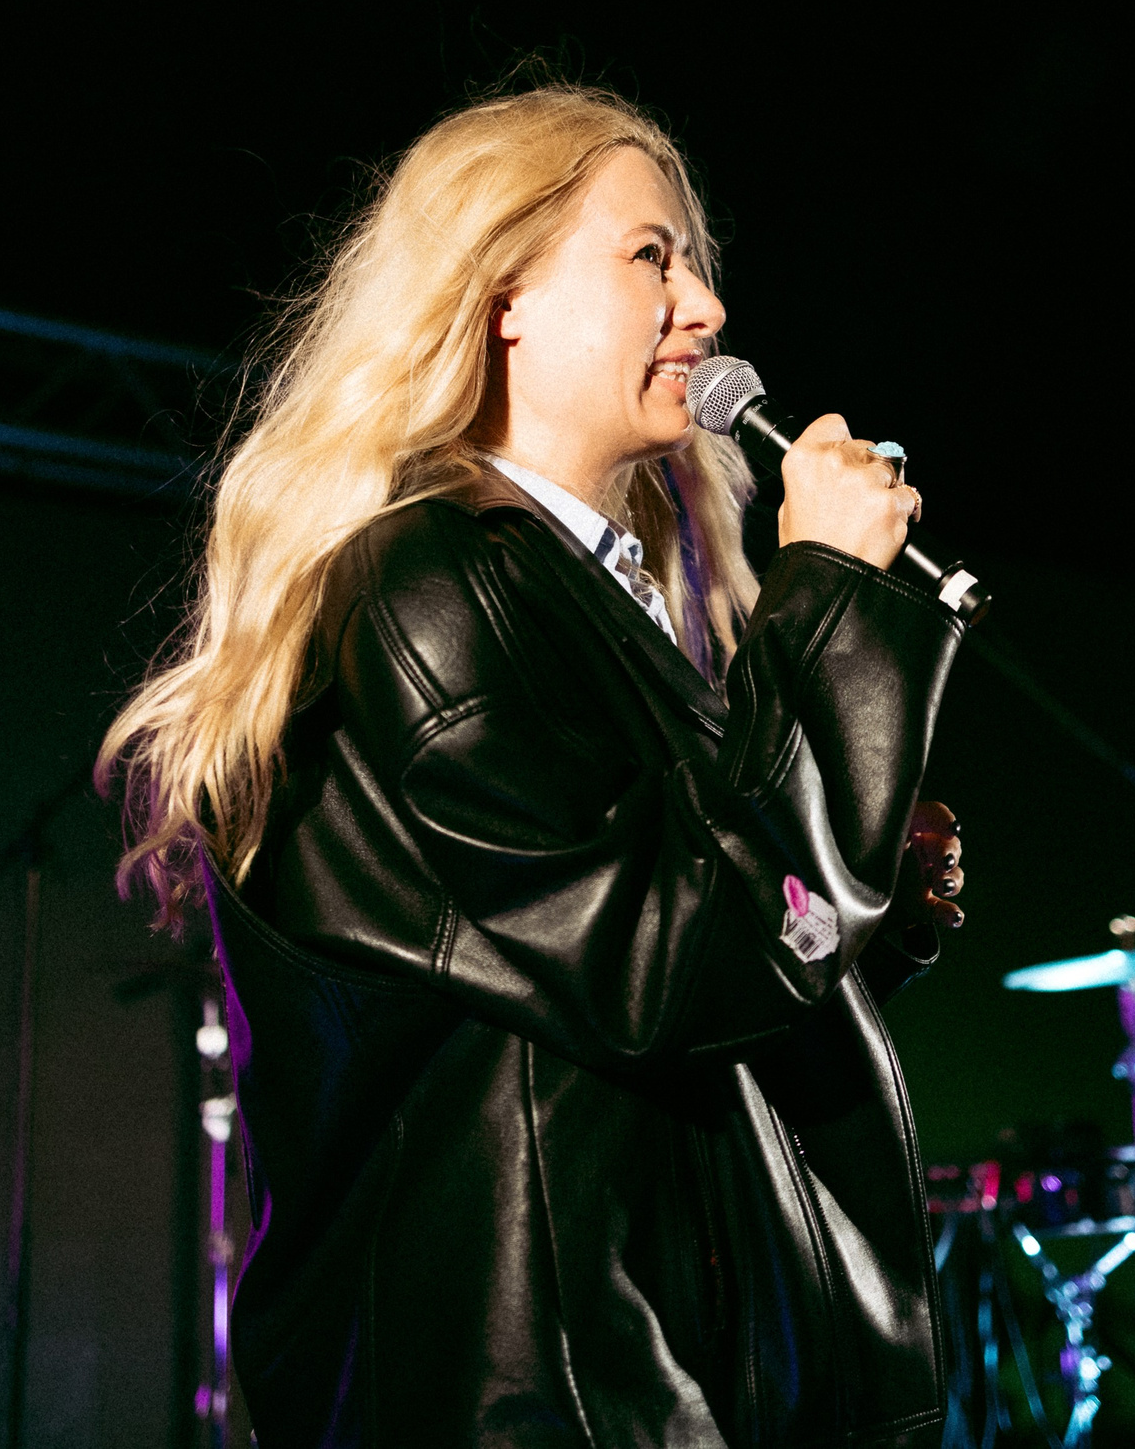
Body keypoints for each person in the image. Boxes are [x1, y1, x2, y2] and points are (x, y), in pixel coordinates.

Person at [102, 84, 972, 1447]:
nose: (707, 309)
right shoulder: (424, 584)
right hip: (558, 1398)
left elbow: (692, 973)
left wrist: (868, 903)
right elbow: (671, 962)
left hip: (668, 1378)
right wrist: (832, 607)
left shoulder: (588, 595)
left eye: (698, 262)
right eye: (652, 255)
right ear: (500, 291)